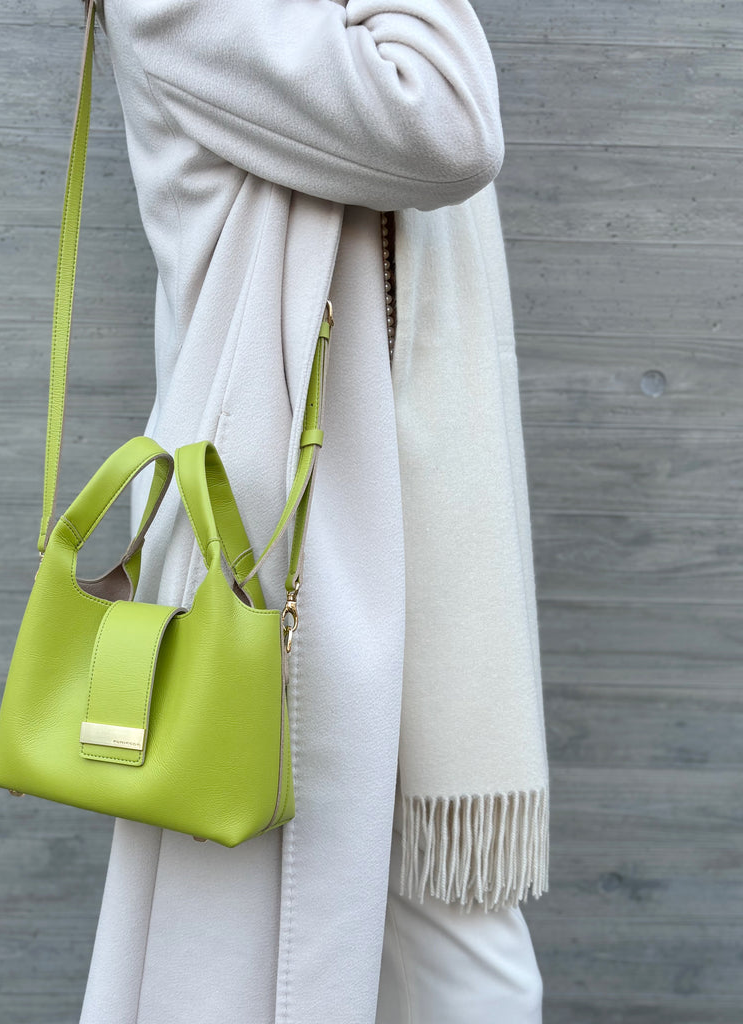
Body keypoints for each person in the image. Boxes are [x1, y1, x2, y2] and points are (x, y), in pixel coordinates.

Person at [73, 1, 550, 1021]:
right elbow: (447, 124)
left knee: (467, 956)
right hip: (275, 545)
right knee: (249, 960)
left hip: (407, 524)